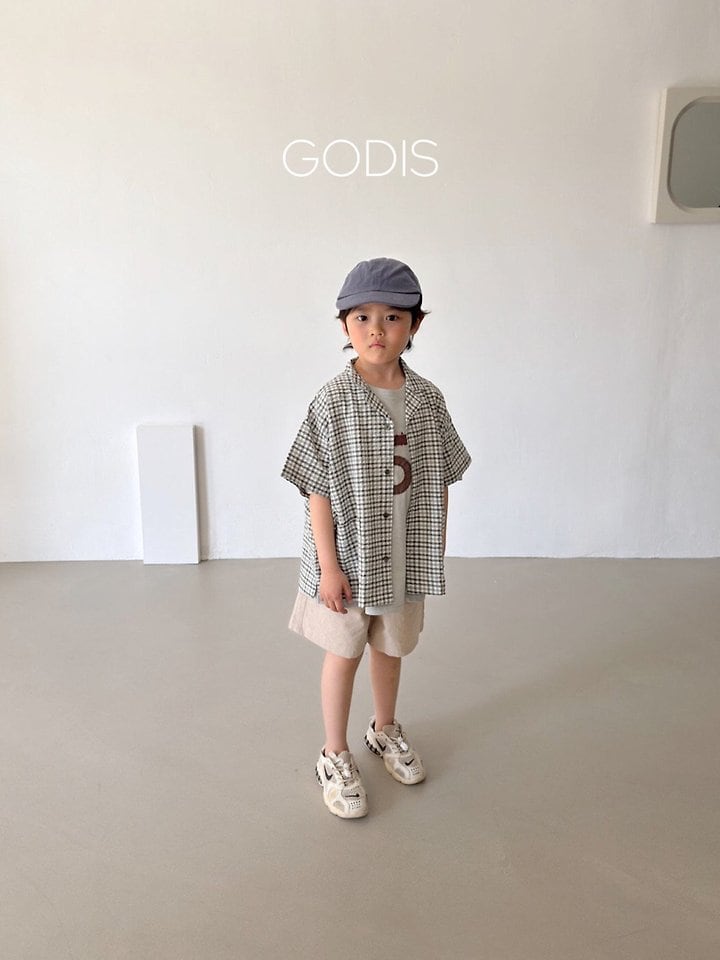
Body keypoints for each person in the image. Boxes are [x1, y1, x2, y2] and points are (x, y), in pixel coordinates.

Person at [282, 257, 471, 819]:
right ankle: (334, 753)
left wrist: (434, 545)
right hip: (347, 558)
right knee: (343, 652)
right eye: (362, 317)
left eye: (392, 317)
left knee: (391, 648)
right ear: (344, 324)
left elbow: (441, 474)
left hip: (404, 555)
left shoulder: (428, 400)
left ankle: (384, 728)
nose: (376, 330)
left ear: (414, 325)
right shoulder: (331, 401)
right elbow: (316, 487)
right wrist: (328, 565)